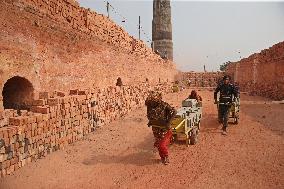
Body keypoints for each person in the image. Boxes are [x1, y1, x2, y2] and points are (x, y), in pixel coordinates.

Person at [145, 91, 176, 165]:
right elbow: (150, 116)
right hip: (155, 129)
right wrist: (150, 122)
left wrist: (168, 123)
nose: (152, 103)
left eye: (153, 101)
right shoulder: (149, 105)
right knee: (159, 145)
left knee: (162, 145)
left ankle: (166, 156)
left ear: (156, 101)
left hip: (164, 129)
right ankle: (162, 157)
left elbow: (174, 112)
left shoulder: (164, 105)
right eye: (151, 102)